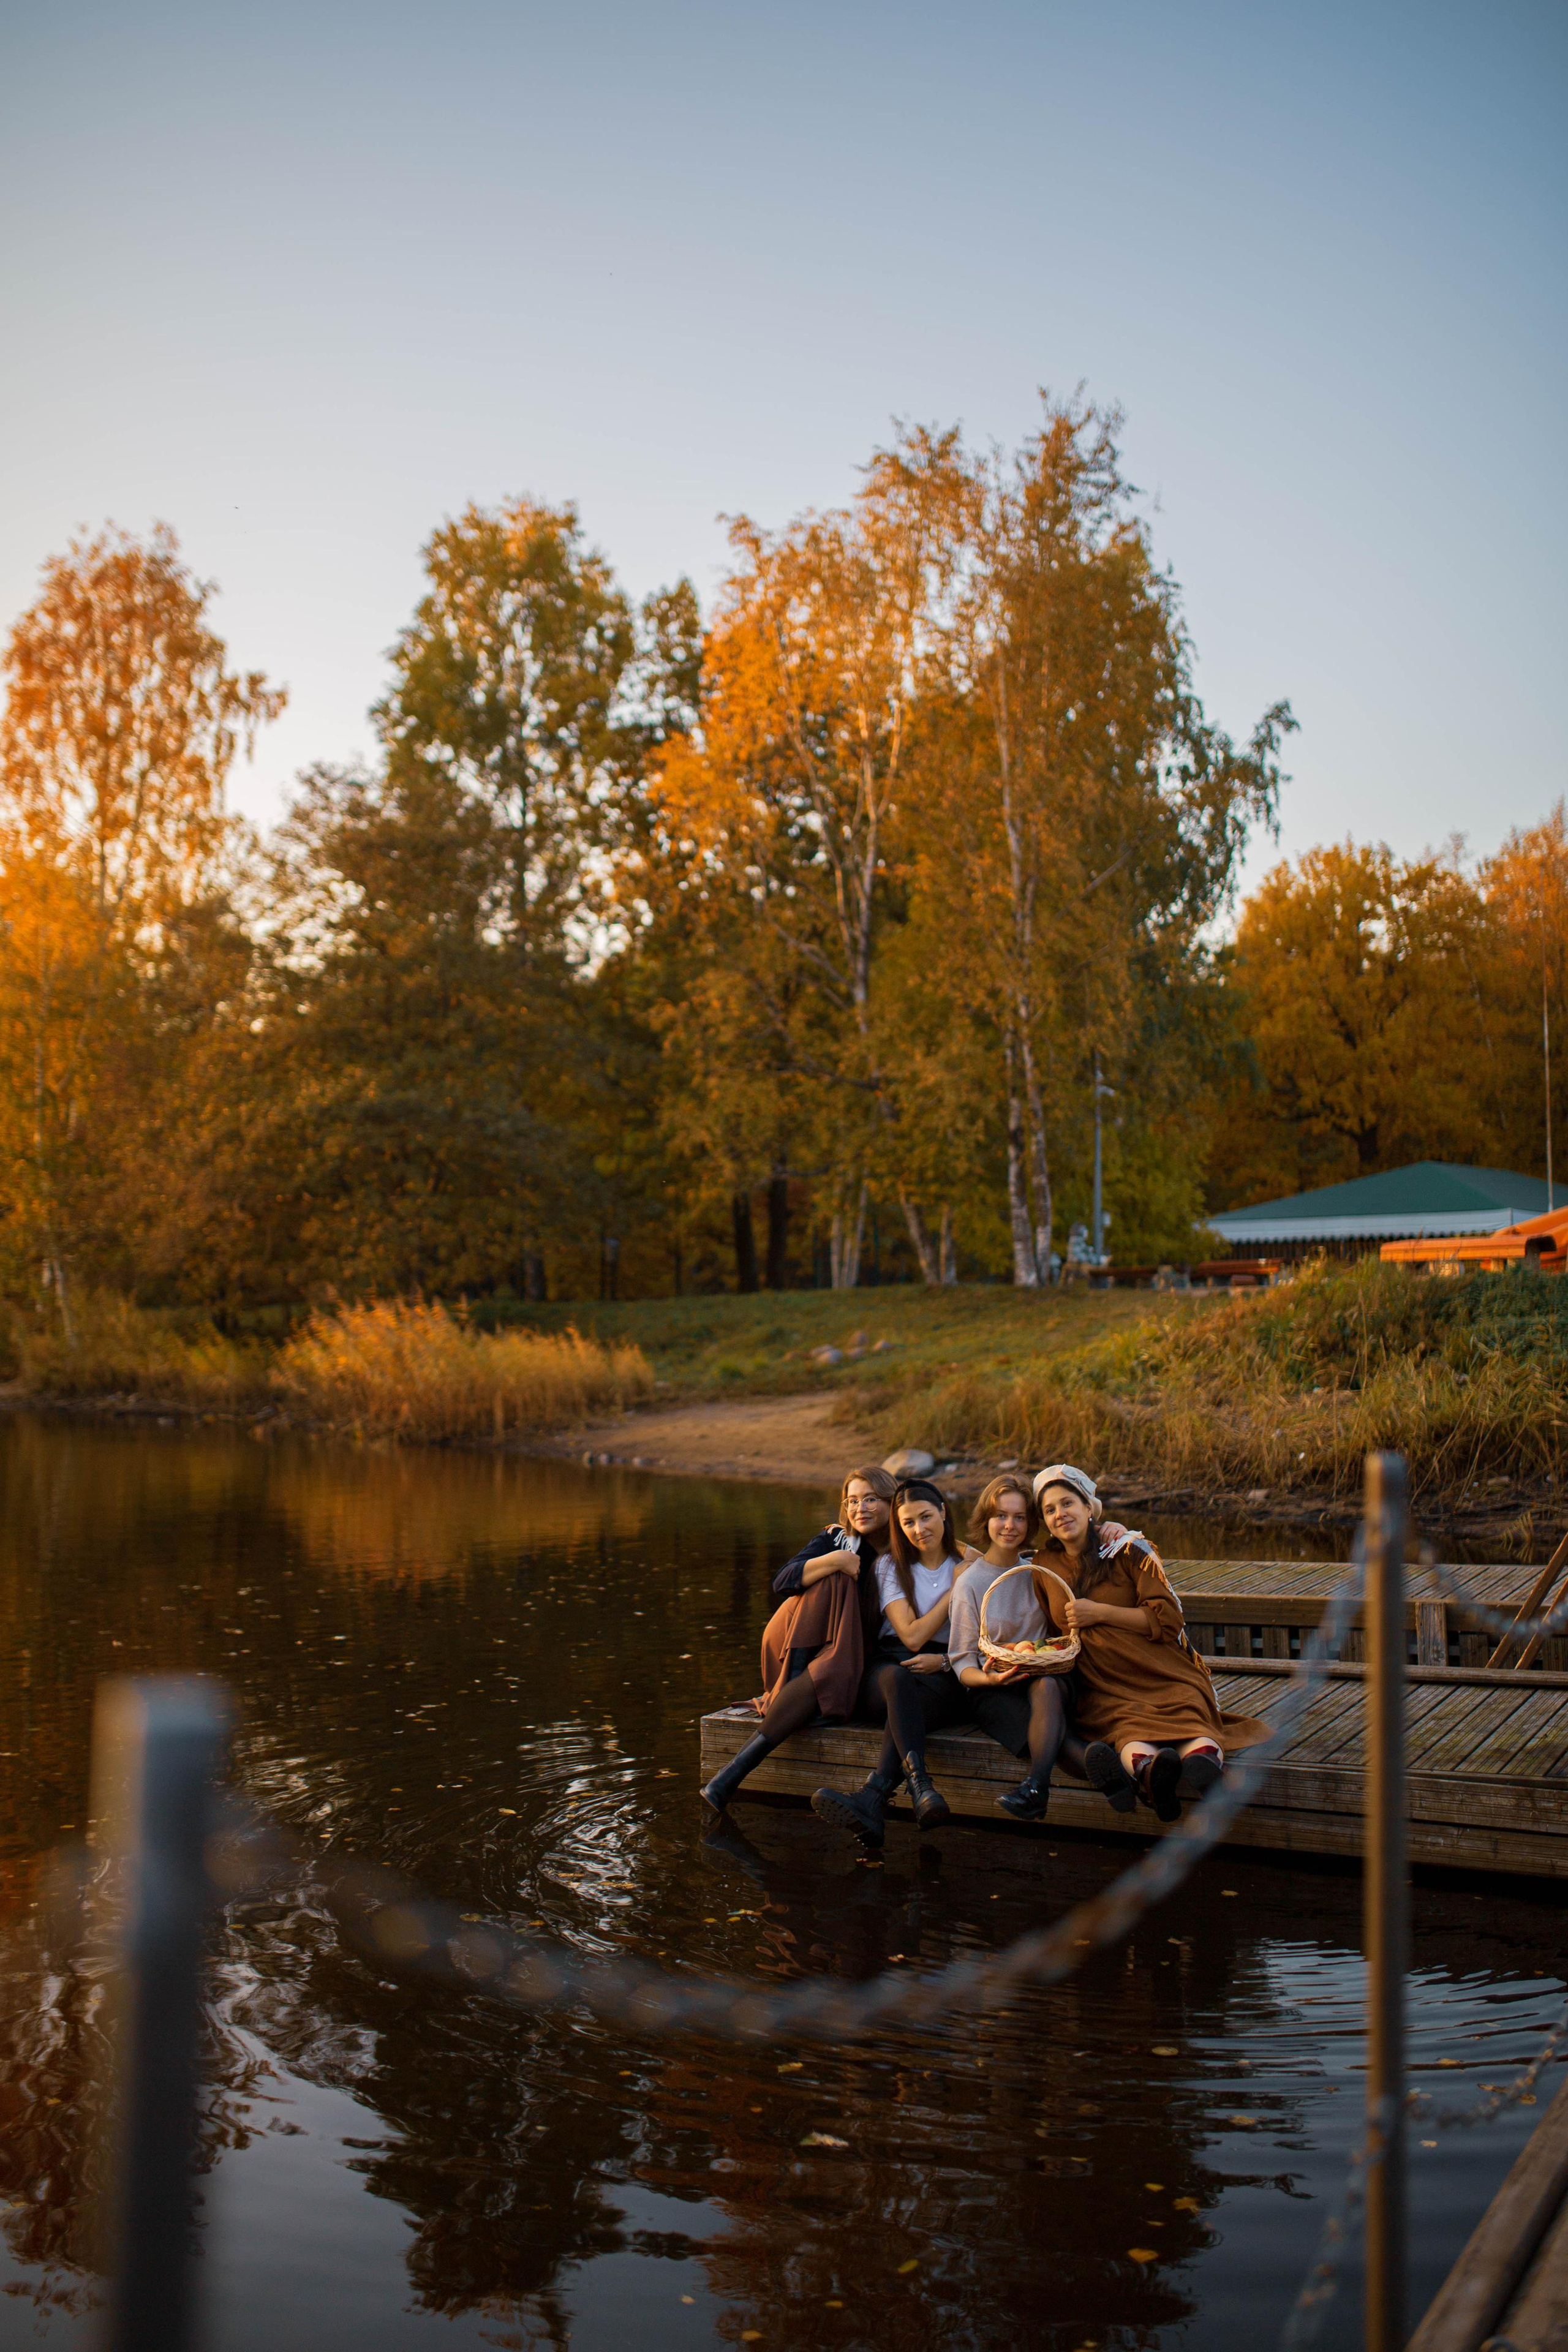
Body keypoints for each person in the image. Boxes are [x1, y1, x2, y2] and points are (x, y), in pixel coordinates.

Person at [1030, 1463, 1269, 1820]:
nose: (1060, 1515)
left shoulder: (1127, 1549)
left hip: (1159, 1669)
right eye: (1050, 1510)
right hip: (1104, 1682)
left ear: (1087, 1507)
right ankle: (1151, 1775)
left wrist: (1101, 1612)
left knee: (1187, 1711)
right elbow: (1054, 1630)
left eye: (1067, 1504)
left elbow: (1168, 1620)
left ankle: (1202, 1767)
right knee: (1124, 1726)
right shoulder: (1043, 1565)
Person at [699, 1466, 897, 1817]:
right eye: (852, 1500)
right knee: (828, 1578)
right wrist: (836, 1560)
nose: (860, 1508)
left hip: (866, 1657)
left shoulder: (909, 1545)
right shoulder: (837, 1541)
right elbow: (783, 1581)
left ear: (891, 1500)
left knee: (829, 1651)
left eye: (870, 1499)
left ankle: (729, 1777)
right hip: (815, 1650)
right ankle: (730, 1775)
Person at [810, 1477, 971, 1846]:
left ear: (944, 1513)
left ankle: (871, 1799)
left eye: (926, 1517)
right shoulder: (889, 1566)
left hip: (944, 1671)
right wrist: (955, 1590)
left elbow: (985, 1633)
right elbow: (911, 1636)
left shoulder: (969, 1562)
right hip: (890, 1667)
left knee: (915, 1701)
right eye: (908, 1523)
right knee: (898, 1682)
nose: (919, 1529)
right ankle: (921, 1785)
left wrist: (945, 1661)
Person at [945, 1476, 1079, 1820]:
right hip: (993, 1687)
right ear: (985, 1520)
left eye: (1020, 1517)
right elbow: (962, 1663)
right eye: (1001, 1516)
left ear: (1031, 1523)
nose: (1010, 1526)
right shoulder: (971, 1582)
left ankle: (1036, 1787)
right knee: (1058, 1739)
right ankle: (1127, 1780)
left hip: (1045, 1675)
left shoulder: (1037, 1571)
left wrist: (1111, 1524)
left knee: (1047, 1686)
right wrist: (990, 1681)